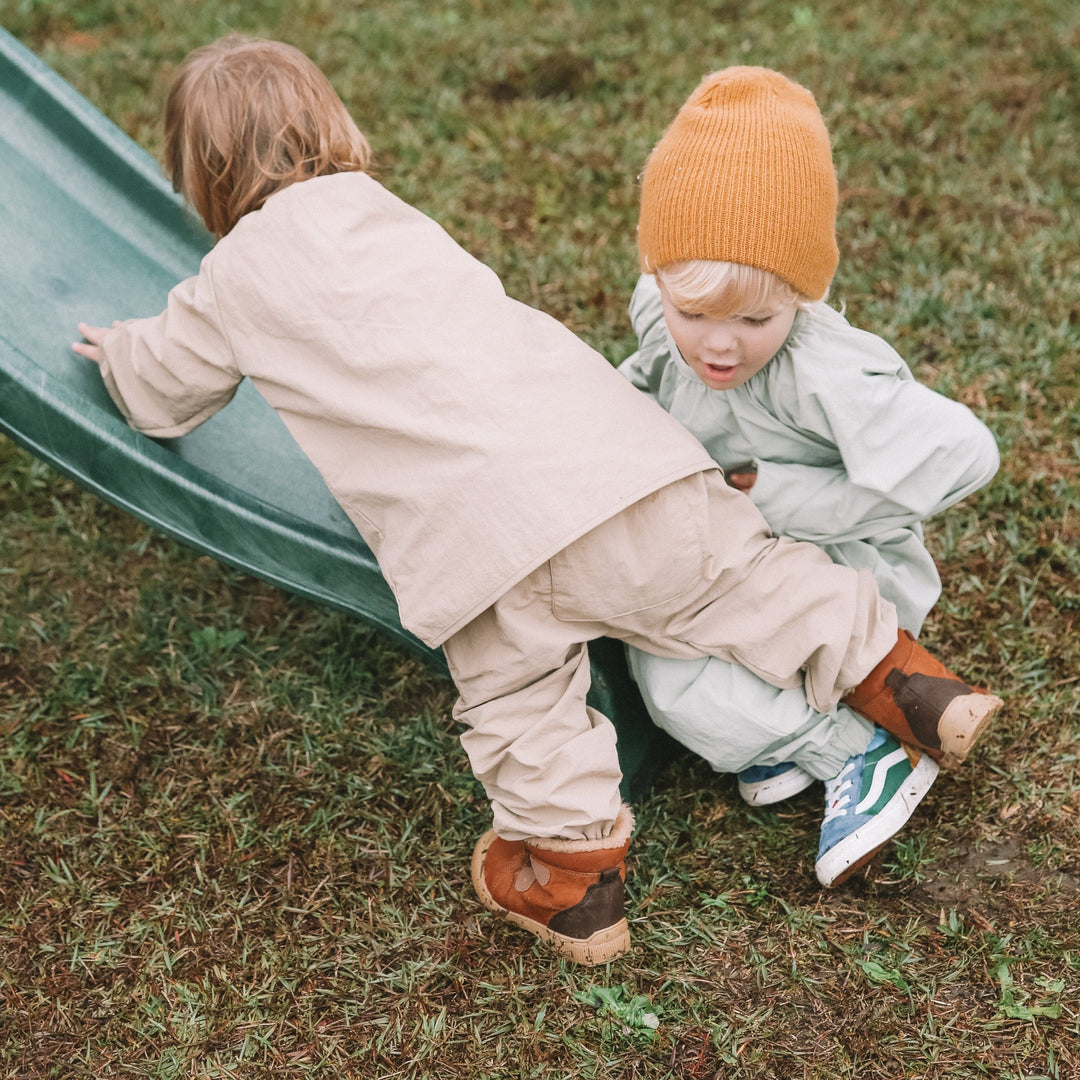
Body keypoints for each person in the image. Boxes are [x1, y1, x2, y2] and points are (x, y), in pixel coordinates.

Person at [73, 38, 1002, 966]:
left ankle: (575, 886)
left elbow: (163, 394)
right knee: (743, 579)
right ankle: (914, 686)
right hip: (613, 459)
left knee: (523, 706)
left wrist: (119, 351)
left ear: (201, 174)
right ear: (329, 126)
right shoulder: (389, 213)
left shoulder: (231, 278)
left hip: (474, 544)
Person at [618, 66, 1000, 888]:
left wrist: (785, 499)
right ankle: (785, 734)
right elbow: (645, 380)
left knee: (675, 683)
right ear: (659, 279)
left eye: (755, 319)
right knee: (659, 662)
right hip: (733, 557)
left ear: (800, 292)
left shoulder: (819, 371)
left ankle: (862, 751)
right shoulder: (660, 317)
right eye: (695, 314)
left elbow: (969, 453)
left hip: (843, 575)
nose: (718, 346)